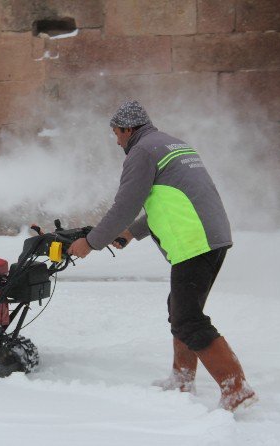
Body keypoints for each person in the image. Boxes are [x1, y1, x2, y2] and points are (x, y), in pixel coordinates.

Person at [67, 100, 257, 412]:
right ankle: (182, 379)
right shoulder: (171, 144)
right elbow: (169, 198)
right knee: (181, 309)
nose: (116, 141)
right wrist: (130, 233)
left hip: (193, 241)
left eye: (116, 133)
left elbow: (125, 205)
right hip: (211, 236)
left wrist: (91, 242)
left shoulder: (141, 152)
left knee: (188, 318)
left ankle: (236, 388)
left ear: (128, 129)